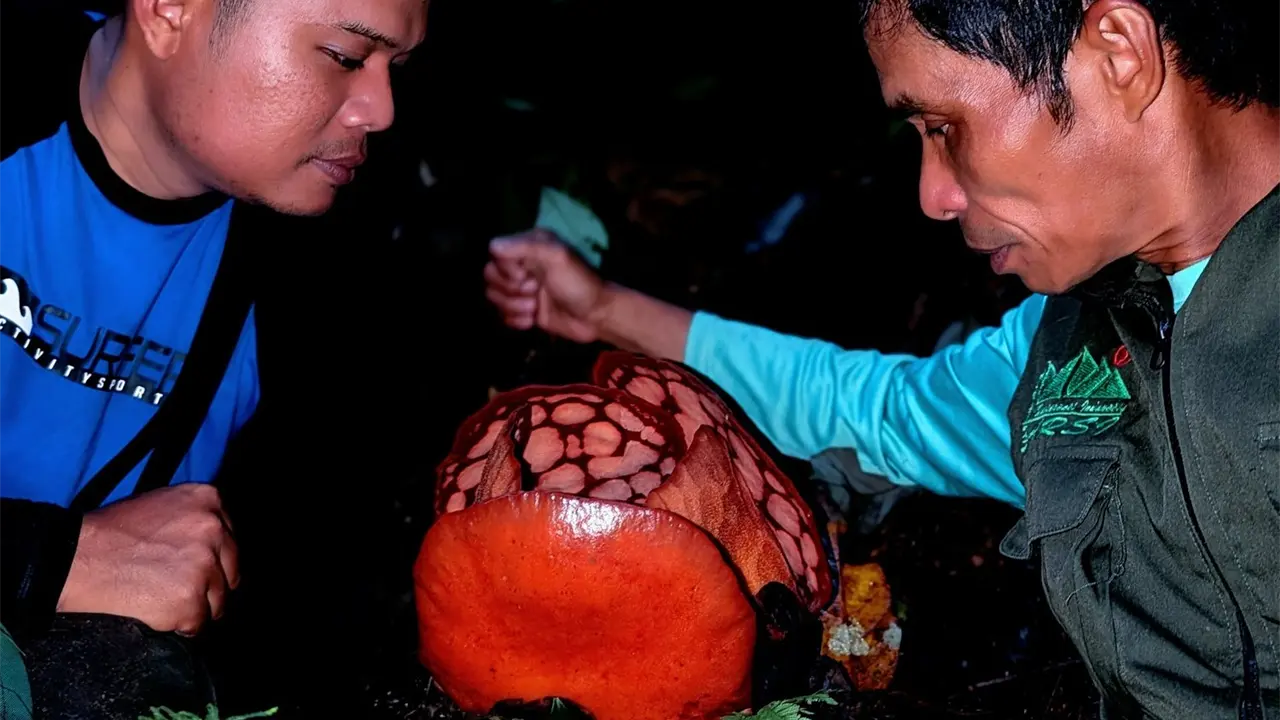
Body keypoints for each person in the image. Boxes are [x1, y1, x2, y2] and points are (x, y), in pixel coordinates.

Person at [485, 0, 1280, 717]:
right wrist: (601, 310)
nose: (934, 195)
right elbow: (869, 410)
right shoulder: (1061, 349)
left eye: (943, 129)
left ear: (1118, 54)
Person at [0, 0, 425, 672]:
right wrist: (54, 561)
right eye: (345, 57)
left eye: (396, 68)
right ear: (169, 9)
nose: (380, 110)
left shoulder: (327, 276)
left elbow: (303, 598)